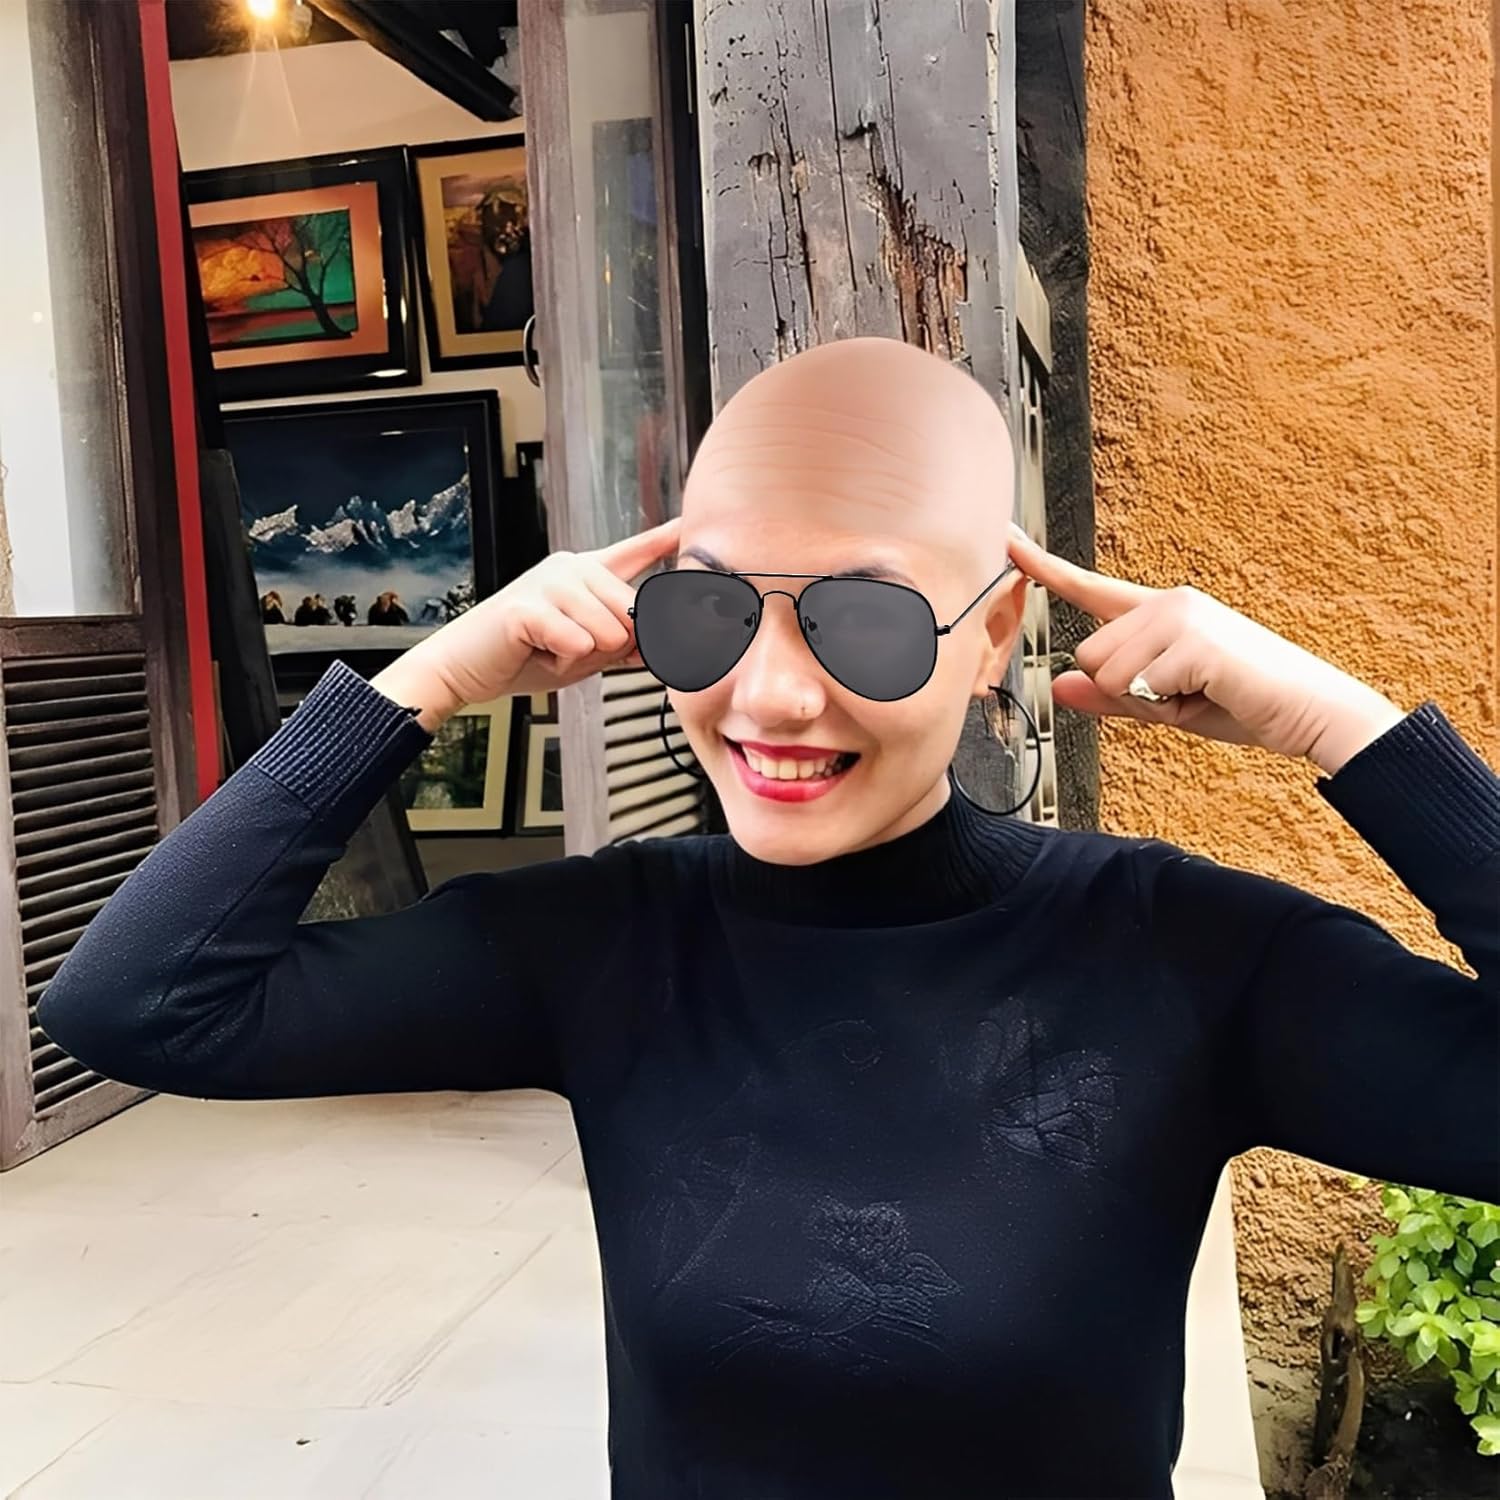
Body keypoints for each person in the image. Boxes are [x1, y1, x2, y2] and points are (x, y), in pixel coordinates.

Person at [36, 337, 1499, 1499]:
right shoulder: (613, 944)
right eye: (710, 615)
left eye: (866, 621)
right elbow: (141, 1005)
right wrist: (429, 677)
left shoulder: (1179, 953)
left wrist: (1348, 729)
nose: (773, 696)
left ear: (994, 634)